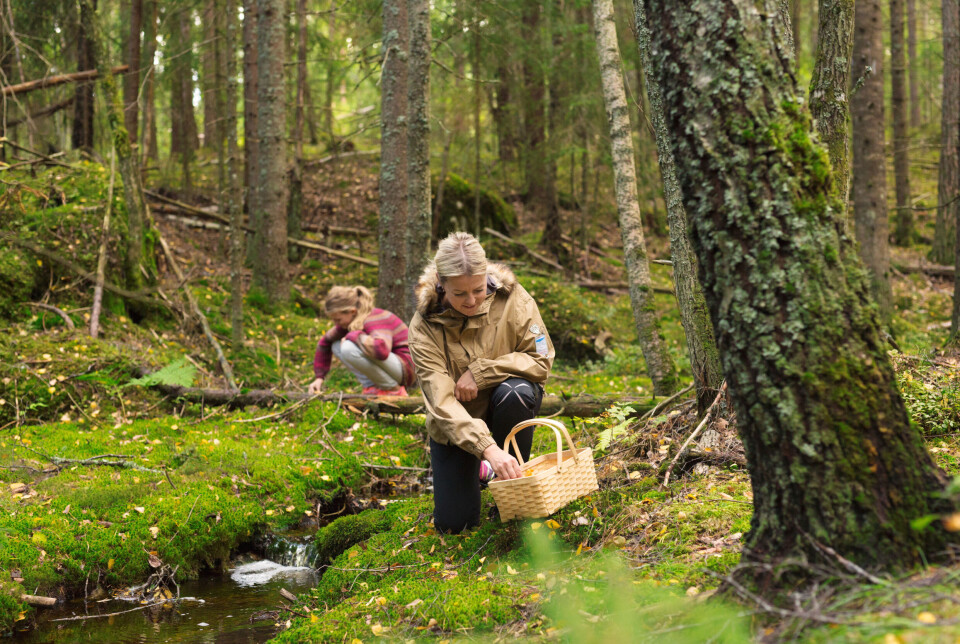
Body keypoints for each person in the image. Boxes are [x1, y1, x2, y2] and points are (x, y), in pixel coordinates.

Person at [409, 232, 555, 533]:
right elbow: (441, 402)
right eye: (459, 293)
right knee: (455, 525)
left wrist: (481, 372)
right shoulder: (424, 326)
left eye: (477, 289)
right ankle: (486, 467)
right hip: (457, 425)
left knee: (515, 392)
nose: (471, 300)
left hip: (508, 405)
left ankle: (512, 488)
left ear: (486, 275)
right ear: (441, 284)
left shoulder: (513, 298)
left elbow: (541, 358)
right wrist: (487, 447)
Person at [309, 286, 415, 396]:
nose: (336, 324)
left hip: (406, 368)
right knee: (336, 345)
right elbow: (325, 342)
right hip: (391, 367)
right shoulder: (351, 321)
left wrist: (353, 335)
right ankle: (372, 387)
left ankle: (393, 390)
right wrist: (319, 378)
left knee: (348, 347)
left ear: (352, 311)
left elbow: (381, 350)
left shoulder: (374, 317)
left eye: (338, 319)